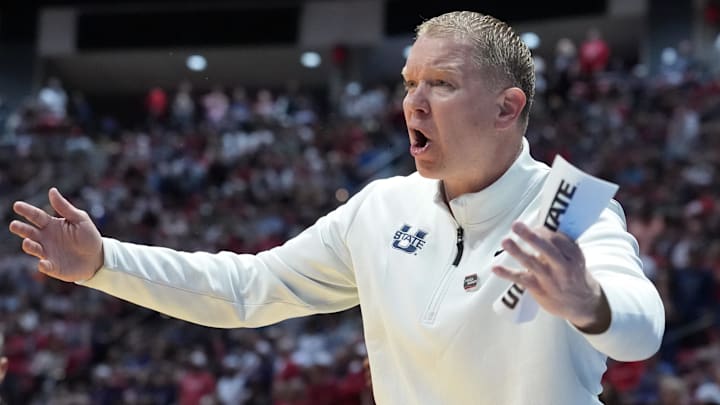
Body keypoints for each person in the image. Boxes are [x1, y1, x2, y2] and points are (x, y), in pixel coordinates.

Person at [8, 10, 664, 404]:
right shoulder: (379, 209)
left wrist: (588, 302)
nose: (414, 101)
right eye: (411, 83)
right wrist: (103, 262)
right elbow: (247, 289)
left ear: (506, 108)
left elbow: (643, 327)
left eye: (442, 84)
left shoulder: (568, 213)